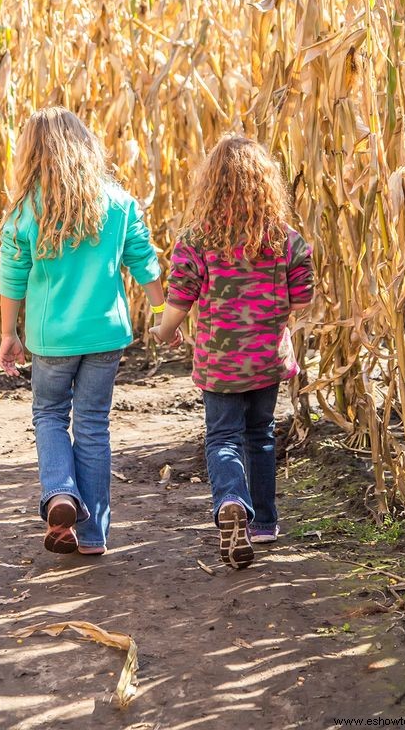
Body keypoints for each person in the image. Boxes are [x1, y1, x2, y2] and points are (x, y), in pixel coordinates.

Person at [0, 107, 168, 556]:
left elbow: (12, 278)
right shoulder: (118, 203)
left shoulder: (24, 212)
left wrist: (8, 333)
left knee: (50, 415)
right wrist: (162, 310)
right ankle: (92, 536)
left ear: (32, 153)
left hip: (51, 339)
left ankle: (59, 495)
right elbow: (143, 259)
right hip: (106, 335)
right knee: (93, 426)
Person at [151, 135, 314, 570]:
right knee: (260, 435)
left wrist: (164, 331)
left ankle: (230, 504)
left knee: (223, 437)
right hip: (266, 357)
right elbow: (302, 301)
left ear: (212, 184)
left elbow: (179, 300)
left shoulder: (196, 240)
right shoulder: (286, 240)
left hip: (220, 361)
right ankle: (262, 524)